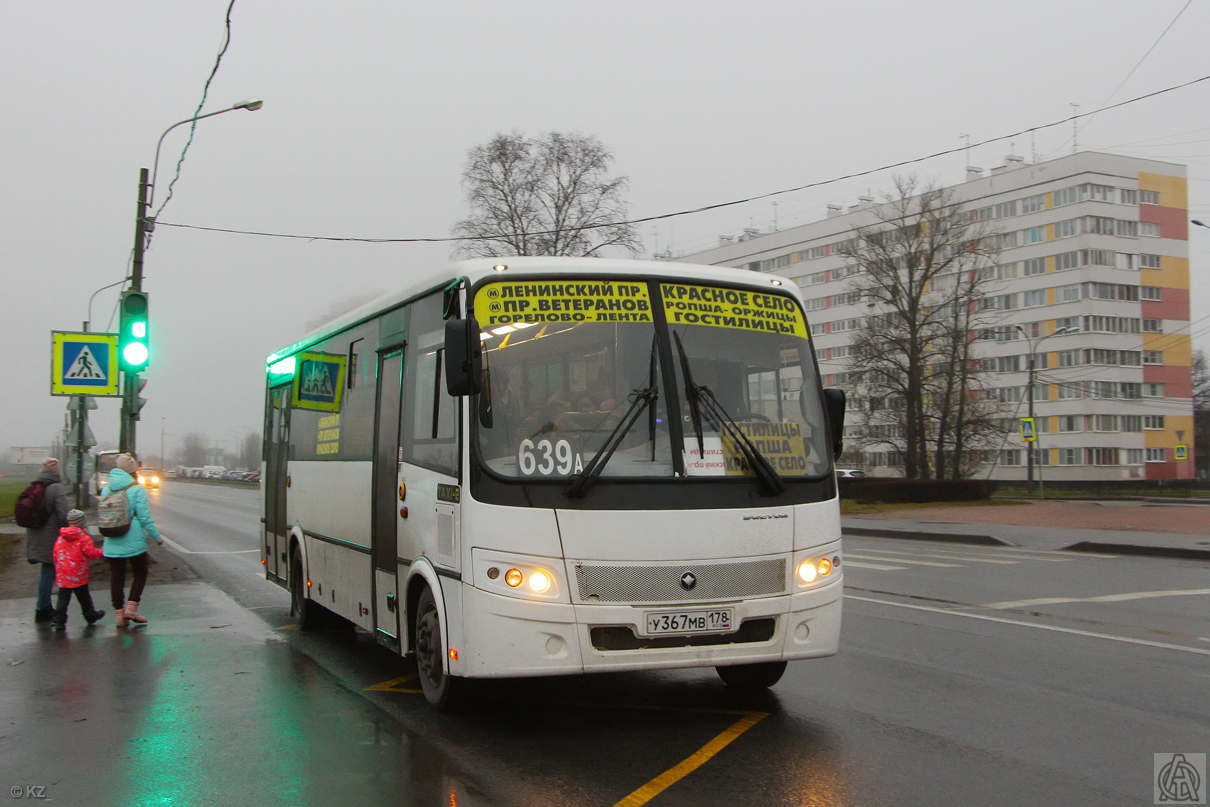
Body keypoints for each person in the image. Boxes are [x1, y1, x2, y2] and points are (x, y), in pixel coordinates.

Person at [99, 453, 165, 628]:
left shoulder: (107, 489)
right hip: (133, 538)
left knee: (116, 577)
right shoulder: (136, 489)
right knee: (141, 571)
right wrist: (156, 537)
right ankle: (132, 607)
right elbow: (144, 518)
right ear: (132, 470)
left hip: (111, 537)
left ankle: (119, 615)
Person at [24, 458, 71, 623]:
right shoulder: (56, 488)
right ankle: (43, 607)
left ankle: (43, 606)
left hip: (36, 534)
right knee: (49, 571)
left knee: (47, 570)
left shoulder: (35, 486)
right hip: (51, 537)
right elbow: (63, 515)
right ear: (56, 471)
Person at [51, 509, 106, 630]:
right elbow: (93, 553)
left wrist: (58, 567)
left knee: (63, 597)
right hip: (78, 573)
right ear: (83, 522)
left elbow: (55, 553)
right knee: (83, 596)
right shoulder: (84, 539)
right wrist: (104, 550)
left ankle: (59, 619)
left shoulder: (61, 538)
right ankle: (90, 615)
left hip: (63, 572)